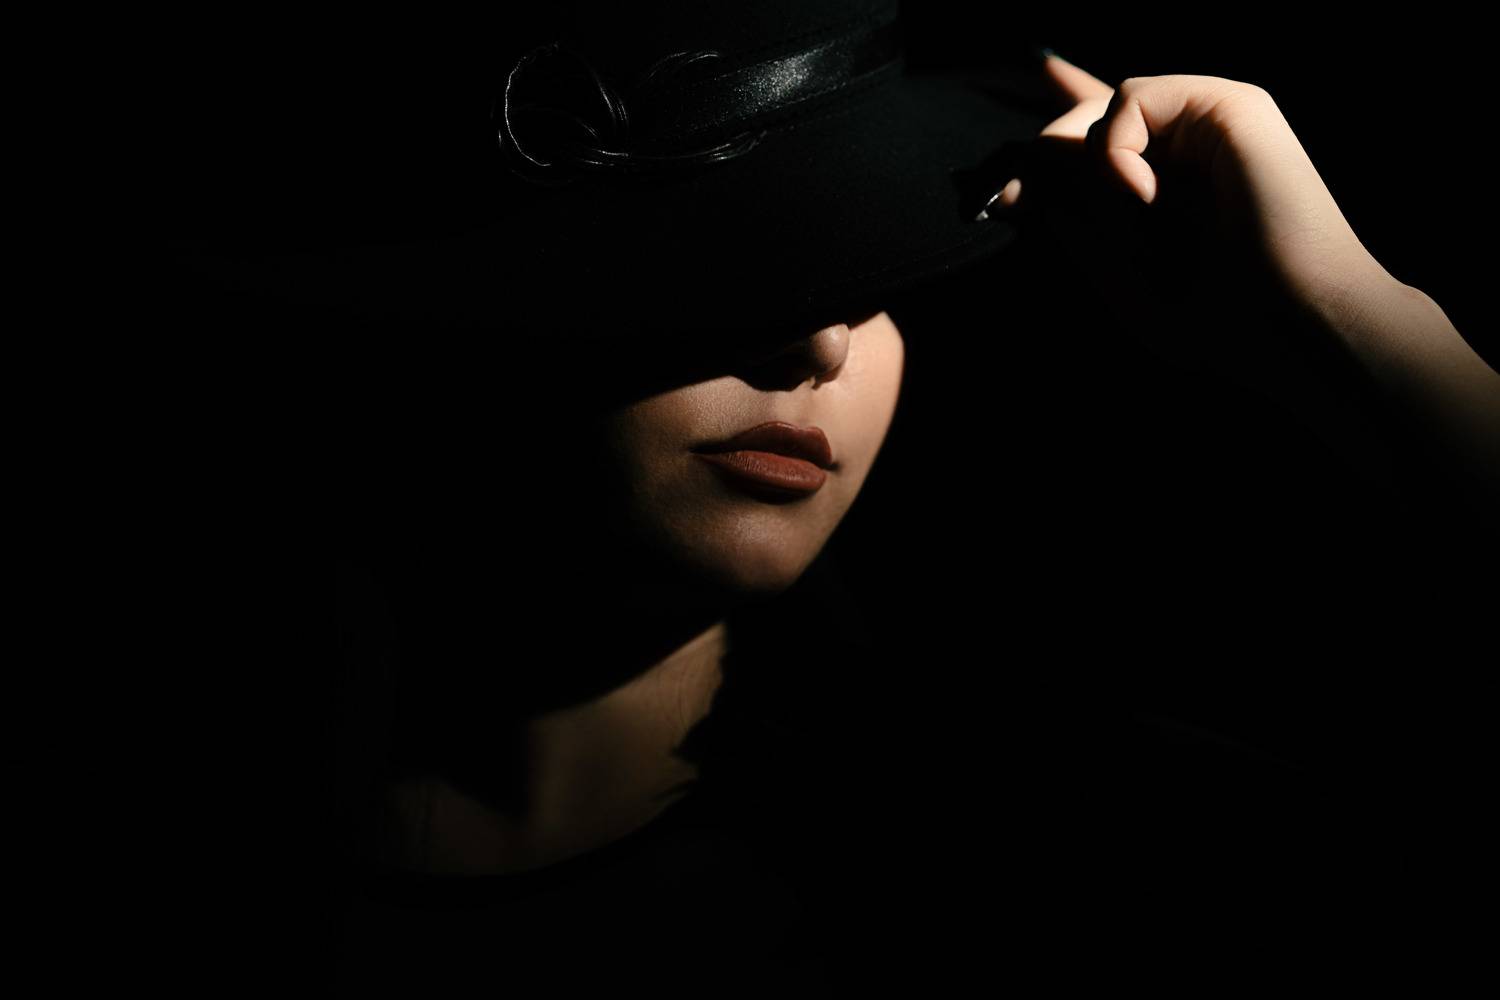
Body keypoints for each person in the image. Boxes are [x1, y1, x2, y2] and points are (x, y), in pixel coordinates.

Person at [319, 8, 1499, 993]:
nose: (823, 342)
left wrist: (1371, 334)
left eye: (873, 273)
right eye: (716, 268)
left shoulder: (1053, 847)